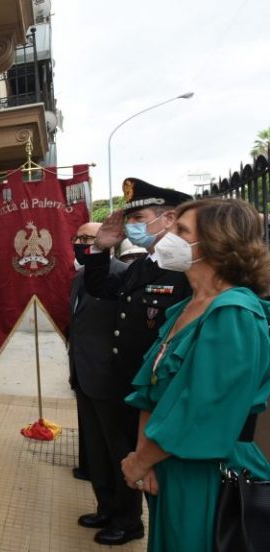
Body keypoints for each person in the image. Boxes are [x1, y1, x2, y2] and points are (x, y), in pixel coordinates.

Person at [121, 198, 270, 551]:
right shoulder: (184, 308)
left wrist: (139, 461)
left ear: (218, 243)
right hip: (167, 466)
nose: (166, 236)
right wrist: (147, 462)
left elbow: (201, 412)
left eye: (180, 231)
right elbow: (150, 389)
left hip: (207, 474)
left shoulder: (233, 313)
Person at [80, 178, 193, 545]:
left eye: (139, 217)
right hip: (125, 384)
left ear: (168, 218)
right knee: (118, 454)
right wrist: (100, 248)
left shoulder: (186, 271)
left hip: (157, 391)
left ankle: (130, 523)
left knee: (143, 462)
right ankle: (115, 511)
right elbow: (101, 288)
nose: (131, 226)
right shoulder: (143, 265)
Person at [68, 222, 129, 488]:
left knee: (115, 448)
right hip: (83, 374)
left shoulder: (122, 275)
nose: (82, 243)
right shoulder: (80, 277)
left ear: (109, 240)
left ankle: (126, 519)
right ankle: (104, 508)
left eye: (89, 238)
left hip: (108, 377)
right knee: (94, 447)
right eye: (78, 237)